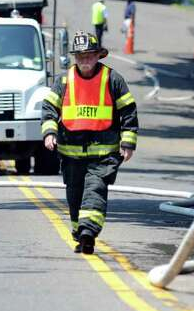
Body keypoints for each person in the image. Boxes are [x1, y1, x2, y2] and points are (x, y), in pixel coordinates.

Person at [41, 32, 138, 254]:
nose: (85, 60)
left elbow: (128, 111)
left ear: (98, 56)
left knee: (94, 189)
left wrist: (128, 142)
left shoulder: (113, 79)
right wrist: (49, 133)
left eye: (89, 55)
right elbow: (48, 109)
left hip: (104, 153)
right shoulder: (64, 81)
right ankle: (79, 233)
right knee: (74, 195)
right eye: (80, 56)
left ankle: (88, 232)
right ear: (75, 58)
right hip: (71, 152)